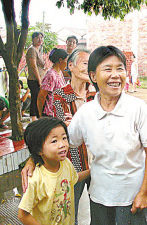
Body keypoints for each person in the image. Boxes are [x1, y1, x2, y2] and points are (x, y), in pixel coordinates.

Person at [68, 45, 147, 224]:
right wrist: (35, 158)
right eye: (108, 69)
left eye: (120, 68)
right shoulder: (86, 112)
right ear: (93, 76)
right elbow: (67, 142)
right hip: (99, 196)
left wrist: (144, 193)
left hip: (133, 197)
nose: (115, 75)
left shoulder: (137, 107)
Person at [18, 117, 90, 225]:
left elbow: (75, 177)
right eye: (54, 141)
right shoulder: (36, 180)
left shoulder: (65, 163)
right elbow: (23, 215)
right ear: (39, 150)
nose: (62, 145)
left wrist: (93, 171)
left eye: (64, 138)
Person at [53, 47, 95, 225]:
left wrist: (75, 122)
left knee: (101, 212)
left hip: (98, 162)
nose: (89, 67)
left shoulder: (97, 94)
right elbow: (66, 132)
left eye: (91, 64)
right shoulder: (60, 94)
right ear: (71, 65)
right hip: (74, 163)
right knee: (71, 214)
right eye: (85, 63)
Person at [37, 48, 68, 117]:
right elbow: (41, 96)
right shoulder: (51, 75)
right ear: (60, 60)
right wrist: (40, 115)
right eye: (66, 60)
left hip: (59, 113)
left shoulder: (59, 72)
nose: (67, 63)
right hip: (50, 114)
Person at [26, 32, 46, 121]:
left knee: (39, 98)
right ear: (33, 39)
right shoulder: (32, 50)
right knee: (35, 98)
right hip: (34, 80)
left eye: (41, 37)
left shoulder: (37, 50)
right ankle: (33, 117)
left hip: (39, 79)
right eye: (37, 37)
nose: (40, 39)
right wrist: (39, 80)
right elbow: (33, 66)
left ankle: (38, 116)